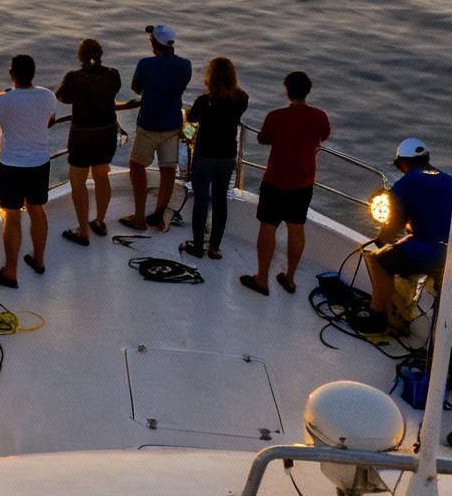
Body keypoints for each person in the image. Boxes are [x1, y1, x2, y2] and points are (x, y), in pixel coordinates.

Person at [239, 70, 330, 296]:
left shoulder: (276, 116)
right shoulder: (320, 117)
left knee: (268, 227)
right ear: (307, 91)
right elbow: (323, 136)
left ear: (287, 91)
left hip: (275, 181)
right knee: (296, 229)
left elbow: (263, 138)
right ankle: (289, 278)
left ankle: (262, 279)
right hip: (303, 184)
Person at [359, 138, 452, 333]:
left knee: (377, 261)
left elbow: (395, 224)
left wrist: (378, 242)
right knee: (402, 256)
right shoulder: (449, 180)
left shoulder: (406, 184)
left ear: (402, 163)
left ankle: (379, 316)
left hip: (427, 250)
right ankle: (400, 312)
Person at [0, 53, 57, 288]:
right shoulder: (47, 95)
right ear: (33, 74)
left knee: (12, 218)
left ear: (12, 74)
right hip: (40, 163)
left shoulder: (4, 99)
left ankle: (10, 272)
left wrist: (2, 107)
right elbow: (50, 121)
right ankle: (39, 260)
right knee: (37, 211)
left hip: (12, 166)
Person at [118, 23, 191, 232]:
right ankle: (158, 216)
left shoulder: (146, 64)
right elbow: (180, 86)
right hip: (172, 125)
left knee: (136, 165)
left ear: (153, 43)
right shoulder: (185, 65)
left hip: (149, 125)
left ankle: (139, 218)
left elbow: (136, 88)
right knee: (168, 170)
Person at [54, 38, 121, 246]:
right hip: (106, 133)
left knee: (78, 182)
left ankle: (83, 231)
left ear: (80, 57)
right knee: (102, 176)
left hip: (82, 136)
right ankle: (99, 221)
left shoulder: (74, 78)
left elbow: (62, 97)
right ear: (100, 54)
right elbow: (115, 91)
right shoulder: (113, 74)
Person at [179, 56, 248, 260]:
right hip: (226, 157)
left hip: (205, 156)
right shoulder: (241, 99)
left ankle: (198, 245)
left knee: (201, 201)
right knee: (220, 202)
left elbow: (191, 118)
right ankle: (215, 247)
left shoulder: (204, 101)